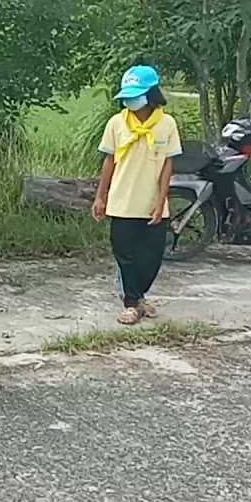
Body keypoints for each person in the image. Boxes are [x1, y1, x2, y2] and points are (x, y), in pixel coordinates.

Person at [91, 65, 182, 325]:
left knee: (152, 256)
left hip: (152, 203)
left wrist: (161, 200)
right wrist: (100, 196)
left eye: (136, 94)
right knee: (125, 255)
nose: (131, 100)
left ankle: (138, 295)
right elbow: (109, 161)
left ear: (151, 94)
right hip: (122, 202)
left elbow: (167, 164)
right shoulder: (117, 123)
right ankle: (131, 303)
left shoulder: (166, 124)